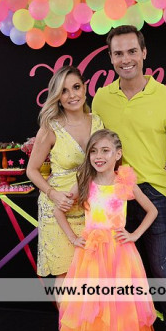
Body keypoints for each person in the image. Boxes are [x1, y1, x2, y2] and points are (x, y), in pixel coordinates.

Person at [92, 25, 166, 331]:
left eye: (132, 51)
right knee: (114, 274)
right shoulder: (101, 98)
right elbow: (90, 145)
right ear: (110, 58)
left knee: (162, 272)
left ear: (144, 53)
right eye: (118, 53)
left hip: (153, 195)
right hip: (112, 198)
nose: (126, 59)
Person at [56, 129, 158, 331]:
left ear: (118, 154)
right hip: (91, 254)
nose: (98, 156)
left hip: (119, 254)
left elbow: (152, 210)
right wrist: (73, 237)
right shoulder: (85, 182)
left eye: (105, 151)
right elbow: (58, 210)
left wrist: (134, 235)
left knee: (119, 304)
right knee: (94, 305)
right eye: (93, 151)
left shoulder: (124, 182)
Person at [26, 65, 103, 280]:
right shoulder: (50, 128)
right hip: (58, 208)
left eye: (76, 87)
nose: (72, 95)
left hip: (89, 208)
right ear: (58, 97)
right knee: (65, 276)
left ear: (85, 88)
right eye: (64, 91)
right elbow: (31, 170)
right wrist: (54, 195)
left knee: (89, 274)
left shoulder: (98, 122)